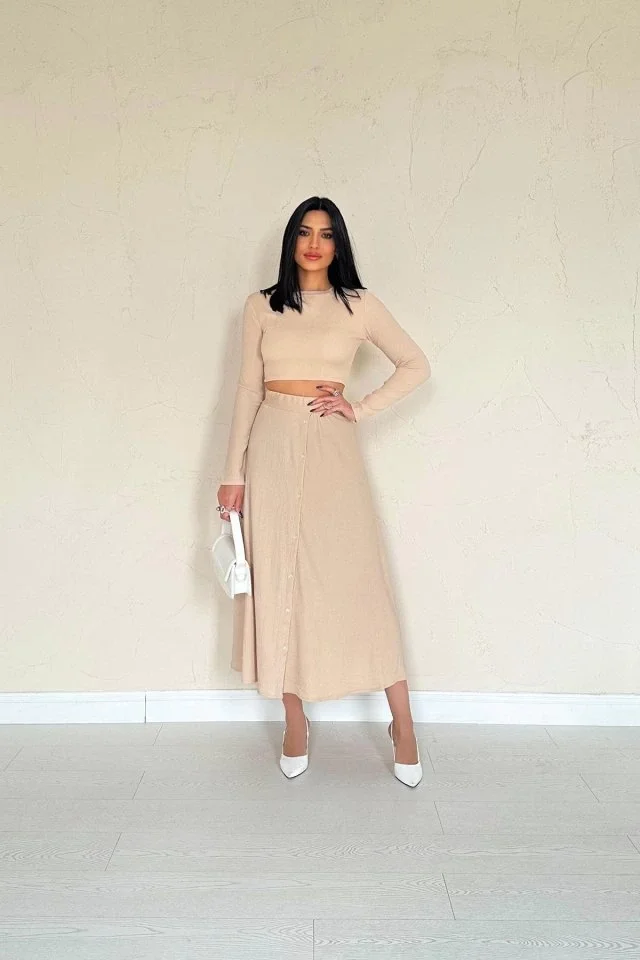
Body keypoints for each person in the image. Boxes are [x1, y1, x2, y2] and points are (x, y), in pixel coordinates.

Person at [216, 196, 431, 786]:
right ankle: (294, 719)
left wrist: (359, 407)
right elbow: (246, 389)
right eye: (305, 232)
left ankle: (403, 724)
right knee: (277, 577)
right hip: (271, 444)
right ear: (292, 240)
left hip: (331, 444)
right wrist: (232, 472)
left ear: (339, 245)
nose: (315, 244)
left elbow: (415, 364)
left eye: (327, 234)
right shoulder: (261, 306)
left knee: (359, 579)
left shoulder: (359, 304)